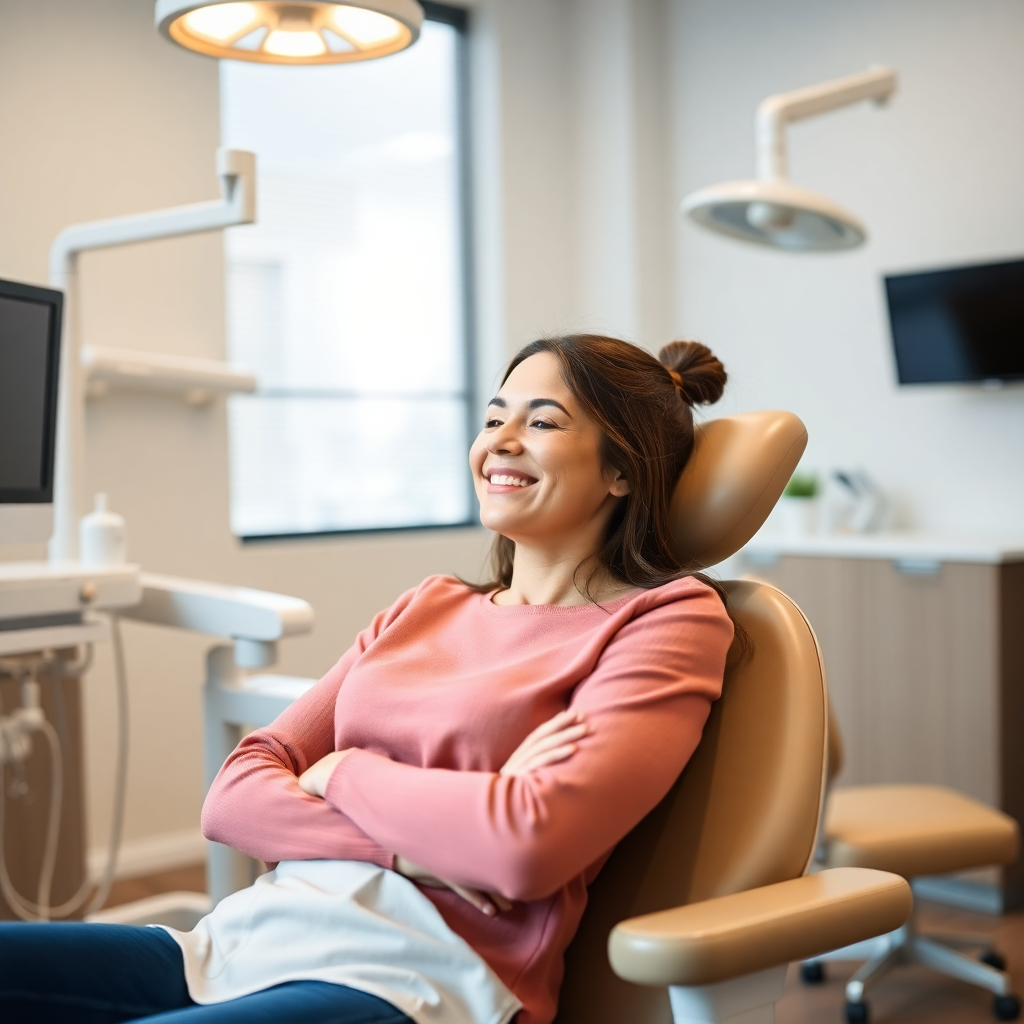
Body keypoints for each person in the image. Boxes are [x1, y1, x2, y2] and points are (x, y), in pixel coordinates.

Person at [0, 334, 735, 1024]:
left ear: (621, 470)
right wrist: (420, 845)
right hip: (241, 942)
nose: (499, 443)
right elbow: (234, 796)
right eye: (492, 418)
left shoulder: (669, 618)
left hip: (419, 977)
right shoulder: (429, 605)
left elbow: (524, 847)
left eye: (542, 423)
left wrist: (341, 768)